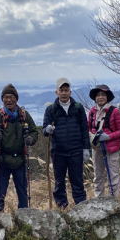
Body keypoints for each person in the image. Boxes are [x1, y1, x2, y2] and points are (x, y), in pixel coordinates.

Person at [0, 84, 38, 212]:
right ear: (2, 99)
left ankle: (24, 216)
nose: (9, 100)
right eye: (6, 97)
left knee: (22, 192)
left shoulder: (24, 115)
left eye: (11, 97)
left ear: (16, 98)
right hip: (2, 159)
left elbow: (34, 132)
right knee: (0, 193)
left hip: (20, 158)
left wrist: (30, 139)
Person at [42, 78, 91, 208]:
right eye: (61, 90)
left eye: (66, 90)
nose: (64, 93)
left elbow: (84, 129)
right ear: (56, 92)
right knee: (59, 181)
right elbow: (44, 130)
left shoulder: (78, 108)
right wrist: (47, 129)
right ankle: (62, 206)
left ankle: (81, 206)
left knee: (77, 180)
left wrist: (86, 148)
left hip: (76, 150)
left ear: (70, 92)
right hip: (58, 151)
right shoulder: (51, 109)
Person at [87, 85, 120, 197]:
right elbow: (88, 128)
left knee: (113, 175)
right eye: (98, 95)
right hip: (97, 147)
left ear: (107, 97)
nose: (100, 97)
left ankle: (115, 199)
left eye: (103, 95)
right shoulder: (92, 112)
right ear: (95, 98)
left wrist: (108, 136)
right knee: (98, 175)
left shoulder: (115, 111)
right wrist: (91, 136)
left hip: (112, 148)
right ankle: (99, 199)